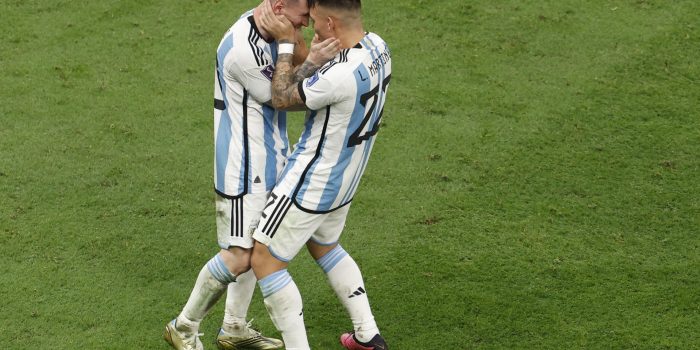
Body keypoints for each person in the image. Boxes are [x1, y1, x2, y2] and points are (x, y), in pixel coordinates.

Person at [163, 1, 339, 349]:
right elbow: (284, 97)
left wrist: (297, 44)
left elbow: (297, 65)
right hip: (243, 168)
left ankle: (233, 327)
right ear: (278, 6)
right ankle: (183, 326)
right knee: (239, 255)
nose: (308, 19)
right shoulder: (242, 48)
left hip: (272, 156)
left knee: (258, 245)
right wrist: (310, 60)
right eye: (303, 11)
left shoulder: (278, 27)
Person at [251, 0, 392, 349]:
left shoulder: (337, 76)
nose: (311, 27)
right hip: (346, 180)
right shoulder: (378, 47)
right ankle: (367, 334)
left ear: (330, 22)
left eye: (314, 22)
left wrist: (287, 43)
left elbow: (281, 97)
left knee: (265, 261)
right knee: (323, 245)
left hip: (311, 184)